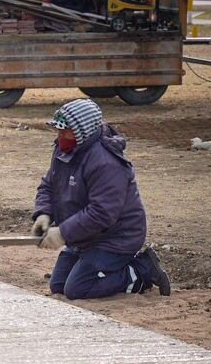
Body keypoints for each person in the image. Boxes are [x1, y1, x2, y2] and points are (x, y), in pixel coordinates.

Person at [32, 98, 170, 300]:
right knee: (59, 285)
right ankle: (96, 264)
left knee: (78, 289)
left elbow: (102, 213)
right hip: (84, 237)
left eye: (65, 131)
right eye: (58, 130)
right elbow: (49, 185)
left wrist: (62, 232)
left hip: (116, 238)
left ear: (82, 131)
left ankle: (142, 270)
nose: (59, 136)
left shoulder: (105, 162)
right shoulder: (64, 149)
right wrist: (43, 213)